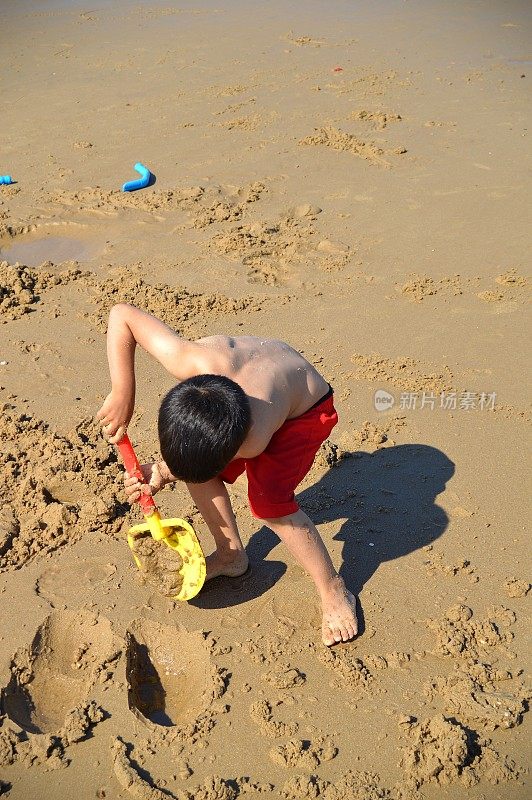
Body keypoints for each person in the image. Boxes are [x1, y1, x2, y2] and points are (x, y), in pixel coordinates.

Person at [97, 303, 357, 646]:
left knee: (270, 505)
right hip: (253, 379)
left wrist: (162, 472)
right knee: (197, 466)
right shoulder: (187, 359)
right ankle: (231, 555)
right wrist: (122, 392)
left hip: (303, 410)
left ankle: (333, 588)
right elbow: (121, 316)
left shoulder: (254, 438)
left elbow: (215, 465)